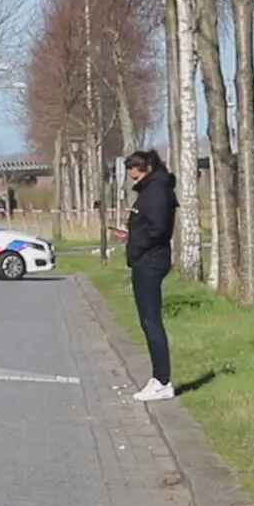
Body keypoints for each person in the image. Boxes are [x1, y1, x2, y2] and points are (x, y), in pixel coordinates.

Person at [115, 149, 177, 402]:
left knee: (152, 321)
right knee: (147, 321)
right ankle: (158, 376)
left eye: (135, 172)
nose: (133, 177)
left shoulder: (157, 191)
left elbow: (158, 228)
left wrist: (138, 244)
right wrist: (131, 236)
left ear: (147, 169)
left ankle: (163, 381)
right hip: (146, 259)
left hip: (150, 261)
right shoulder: (151, 190)